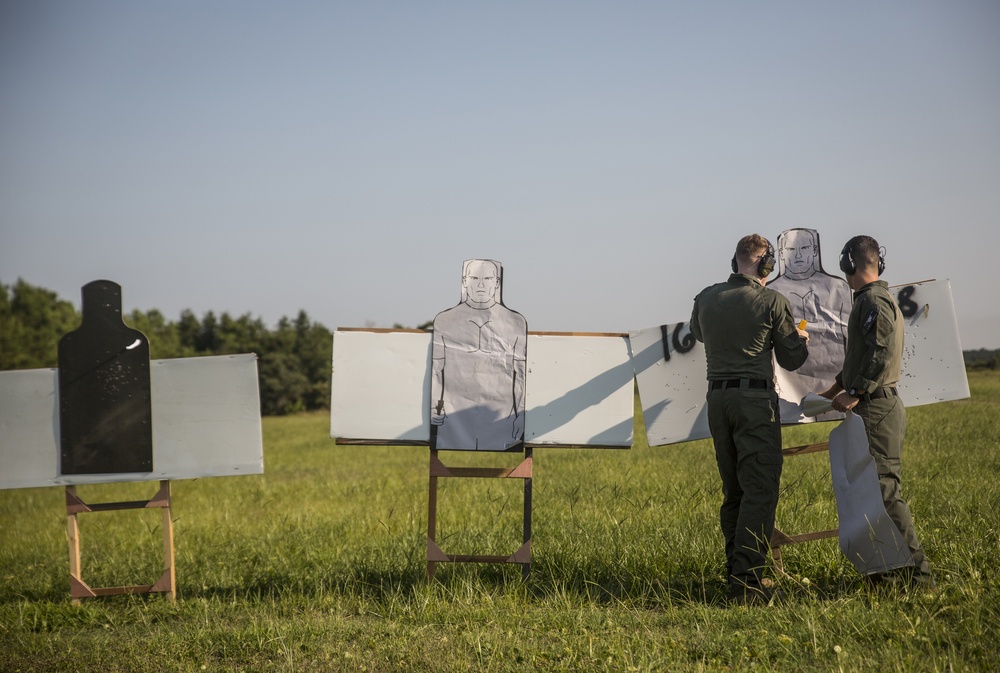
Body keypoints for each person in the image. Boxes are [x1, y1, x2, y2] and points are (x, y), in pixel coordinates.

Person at [691, 234, 809, 605]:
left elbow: (697, 334)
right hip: (754, 402)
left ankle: (735, 571)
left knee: (736, 491)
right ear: (765, 265)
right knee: (759, 489)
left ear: (735, 262)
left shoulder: (706, 298)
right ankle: (746, 582)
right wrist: (800, 338)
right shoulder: (771, 300)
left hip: (717, 401)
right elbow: (792, 360)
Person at [820, 235, 935, 589]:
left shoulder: (873, 301)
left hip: (877, 407)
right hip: (872, 405)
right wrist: (836, 388)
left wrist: (856, 391)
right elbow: (862, 355)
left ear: (849, 264)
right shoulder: (870, 300)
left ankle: (919, 578)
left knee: (885, 492)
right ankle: (882, 575)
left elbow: (881, 351)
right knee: (870, 494)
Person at [430, 259, 527, 451]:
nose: (481, 284)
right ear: (465, 281)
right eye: (474, 278)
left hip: (501, 416)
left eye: (487, 278)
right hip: (454, 418)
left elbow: (520, 375)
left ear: (497, 282)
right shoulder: (444, 321)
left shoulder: (515, 323)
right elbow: (437, 370)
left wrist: (520, 416)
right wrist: (434, 407)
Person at [768, 228, 853, 422]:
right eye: (790, 249)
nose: (798, 255)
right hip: (787, 382)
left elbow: (850, 339)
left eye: (804, 248)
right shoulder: (770, 292)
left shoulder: (838, 287)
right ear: (781, 254)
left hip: (836, 382)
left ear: (814, 250)